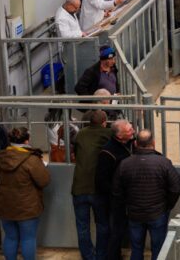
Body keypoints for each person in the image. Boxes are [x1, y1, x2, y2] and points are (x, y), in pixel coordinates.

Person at [112, 129, 180, 260]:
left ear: (136, 143)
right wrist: (167, 206)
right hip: (157, 213)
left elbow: (116, 191)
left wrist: (127, 205)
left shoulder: (125, 164)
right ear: (153, 143)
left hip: (134, 213)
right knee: (159, 249)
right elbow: (175, 188)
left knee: (136, 248)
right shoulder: (163, 162)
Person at [0, 127, 51, 260]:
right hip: (27, 208)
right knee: (28, 238)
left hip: (5, 204)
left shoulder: (0, 158)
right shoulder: (32, 160)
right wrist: (42, 166)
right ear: (26, 140)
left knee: (10, 237)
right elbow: (44, 181)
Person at [71, 109, 112, 260]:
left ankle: (88, 256)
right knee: (102, 224)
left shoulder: (80, 134)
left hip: (79, 187)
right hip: (98, 189)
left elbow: (75, 152)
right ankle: (101, 255)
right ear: (104, 122)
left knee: (82, 226)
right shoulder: (109, 134)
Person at [95, 119, 134, 260]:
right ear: (119, 135)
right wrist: (116, 193)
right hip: (112, 200)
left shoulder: (128, 144)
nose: (133, 131)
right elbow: (101, 180)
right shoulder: (107, 152)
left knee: (118, 230)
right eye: (129, 131)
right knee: (114, 231)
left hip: (120, 199)